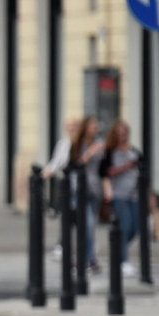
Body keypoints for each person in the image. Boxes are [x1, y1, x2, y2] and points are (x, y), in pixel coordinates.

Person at [42, 115, 102, 271]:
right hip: (73, 189)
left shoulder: (88, 143)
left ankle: (85, 257)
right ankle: (76, 254)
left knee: (86, 224)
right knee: (75, 222)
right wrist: (46, 172)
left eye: (75, 125)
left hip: (90, 189)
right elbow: (59, 162)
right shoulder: (65, 144)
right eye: (69, 125)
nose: (72, 128)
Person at [101, 120, 140, 277]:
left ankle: (117, 249)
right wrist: (123, 167)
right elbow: (104, 172)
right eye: (119, 133)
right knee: (125, 225)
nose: (123, 136)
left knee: (136, 227)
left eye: (125, 133)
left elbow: (143, 172)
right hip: (118, 194)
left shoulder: (134, 152)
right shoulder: (110, 152)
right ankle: (122, 261)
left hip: (135, 194)